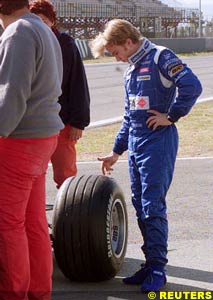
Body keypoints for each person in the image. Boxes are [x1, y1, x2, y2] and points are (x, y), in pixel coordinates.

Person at [90, 19, 202, 292]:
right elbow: (130, 116)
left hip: (158, 142)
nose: (115, 57)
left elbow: (192, 86)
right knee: (140, 205)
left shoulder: (161, 56)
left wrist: (172, 115)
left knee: (153, 205)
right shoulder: (131, 70)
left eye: (116, 51)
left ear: (128, 41)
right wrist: (116, 151)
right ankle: (150, 262)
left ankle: (158, 269)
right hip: (137, 143)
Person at [0, 1, 64, 299]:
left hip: (19, 139)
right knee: (33, 221)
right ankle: (40, 291)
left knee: (7, 224)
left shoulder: (18, 32)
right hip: (42, 137)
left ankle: (14, 293)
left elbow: (12, 95)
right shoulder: (42, 29)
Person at [29, 0, 90, 188]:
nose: (40, 24)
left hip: (62, 121)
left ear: (52, 21)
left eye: (43, 20)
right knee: (32, 172)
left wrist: (79, 122)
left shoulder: (65, 43)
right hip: (33, 123)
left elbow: (78, 83)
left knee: (65, 172)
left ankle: (71, 209)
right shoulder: (25, 43)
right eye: (35, 20)